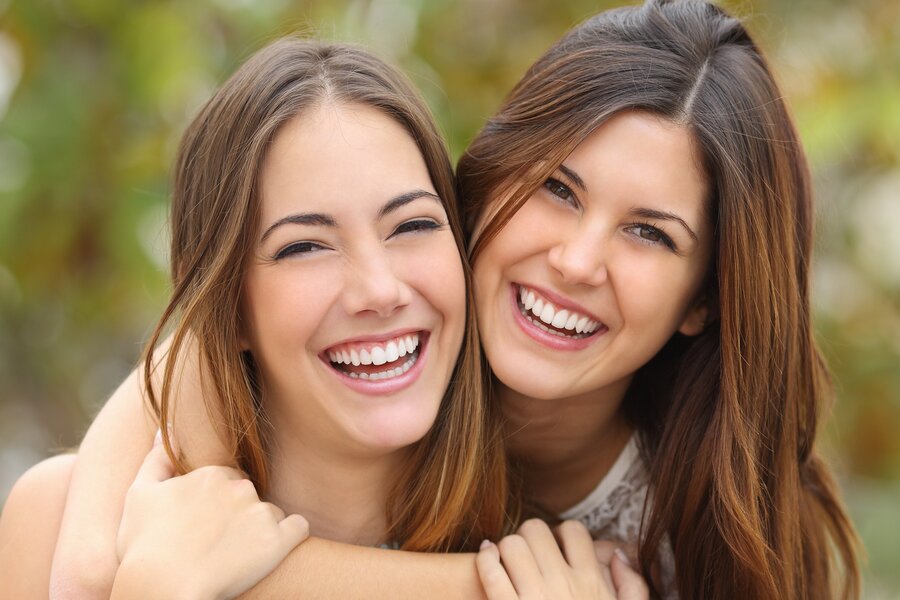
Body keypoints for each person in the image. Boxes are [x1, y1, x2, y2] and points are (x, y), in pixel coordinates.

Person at [3, 0, 861, 598]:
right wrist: (98, 559)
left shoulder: (681, 536)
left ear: (702, 300)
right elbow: (194, 347)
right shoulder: (402, 327)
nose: (574, 259)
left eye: (650, 234)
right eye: (559, 189)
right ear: (482, 188)